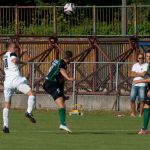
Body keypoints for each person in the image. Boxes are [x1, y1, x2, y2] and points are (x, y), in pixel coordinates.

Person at [2, 42, 36, 133]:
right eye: (14, 47)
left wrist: (21, 54)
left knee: (7, 105)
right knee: (31, 94)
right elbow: (14, 60)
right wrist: (24, 62)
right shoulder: (12, 54)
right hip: (16, 80)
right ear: (9, 47)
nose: (16, 48)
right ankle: (29, 112)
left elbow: (13, 59)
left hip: (7, 82)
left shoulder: (5, 56)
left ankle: (5, 126)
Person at [43, 50, 74, 133]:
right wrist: (68, 77)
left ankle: (63, 123)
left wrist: (63, 95)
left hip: (49, 83)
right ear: (70, 58)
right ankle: (62, 124)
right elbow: (61, 70)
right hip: (51, 83)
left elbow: (60, 80)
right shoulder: (62, 63)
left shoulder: (57, 61)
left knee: (62, 103)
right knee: (61, 105)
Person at [134, 51, 150, 134]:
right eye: (147, 56)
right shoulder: (148, 66)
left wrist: (141, 80)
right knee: (147, 107)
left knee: (147, 106)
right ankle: (144, 129)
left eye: (149, 56)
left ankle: (144, 129)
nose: (148, 58)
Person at [129, 53, 148, 117]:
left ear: (144, 59)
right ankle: (133, 113)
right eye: (139, 58)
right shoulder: (135, 65)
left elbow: (144, 74)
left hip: (142, 84)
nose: (141, 59)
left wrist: (136, 73)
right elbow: (131, 75)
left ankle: (140, 114)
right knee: (132, 99)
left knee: (142, 99)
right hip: (134, 84)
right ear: (137, 58)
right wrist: (139, 73)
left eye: (142, 58)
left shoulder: (146, 65)